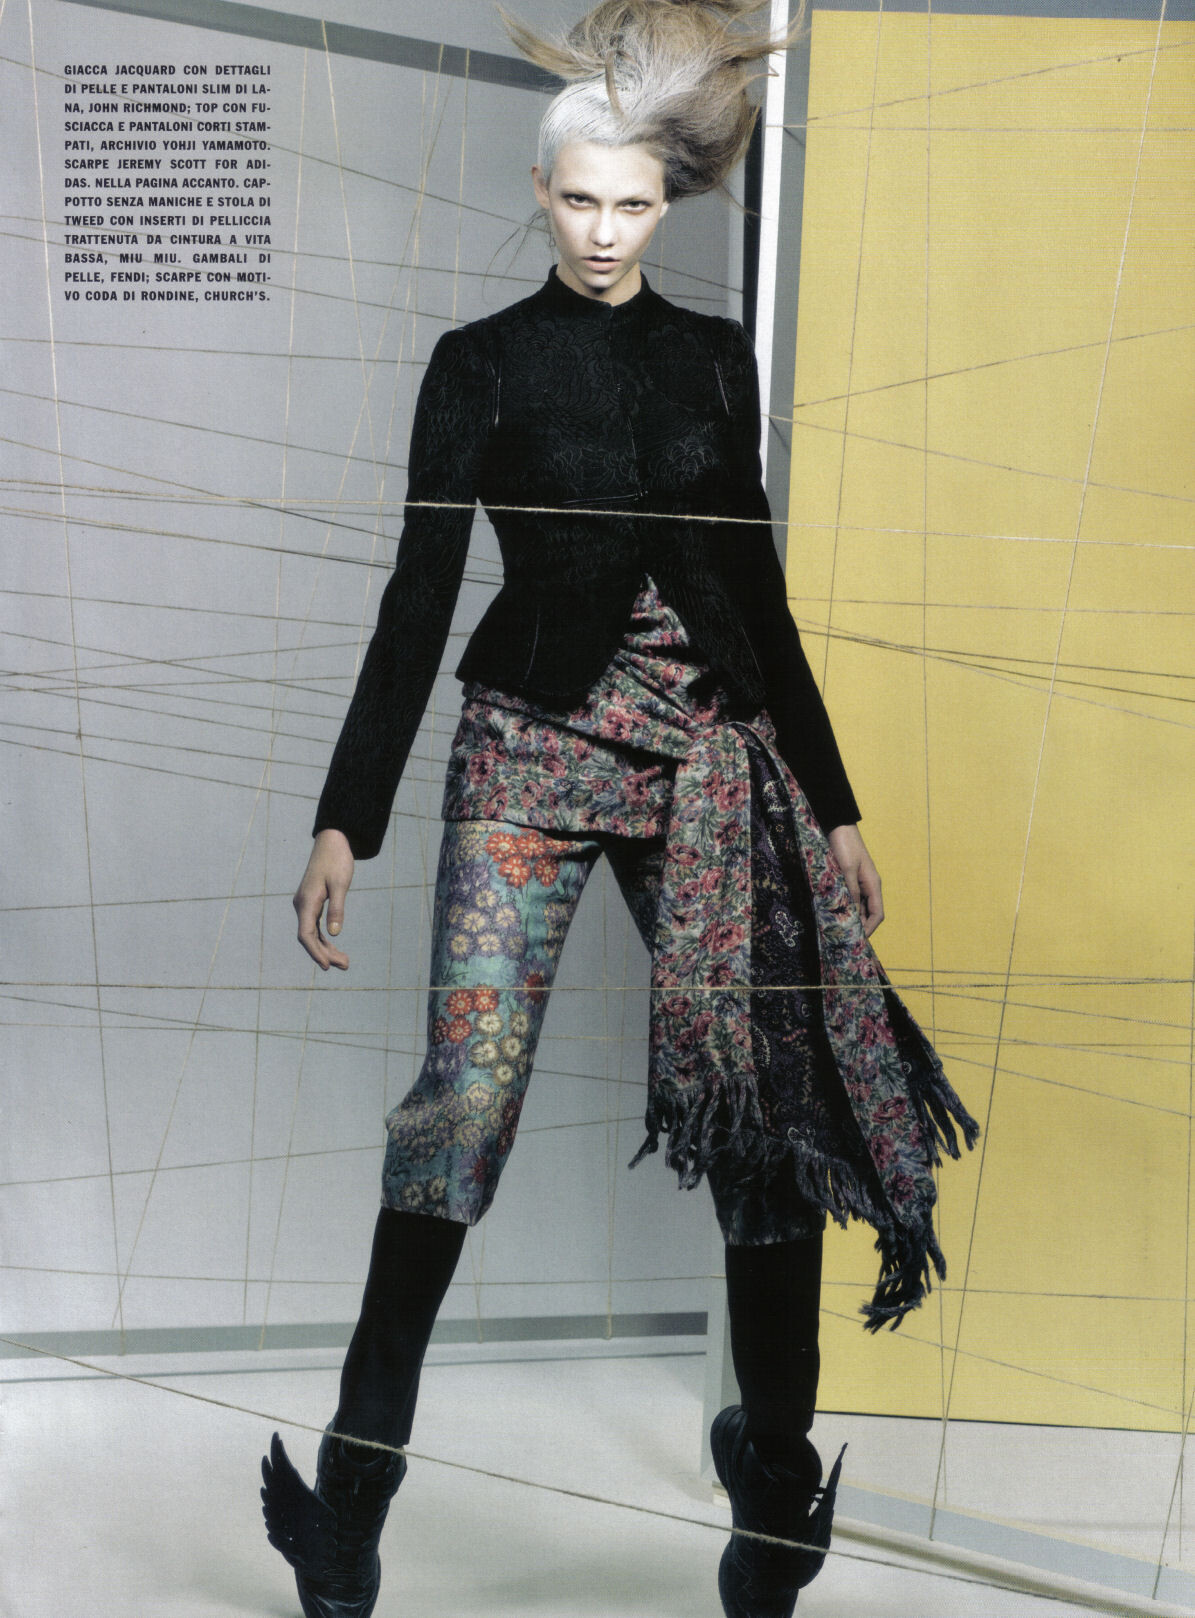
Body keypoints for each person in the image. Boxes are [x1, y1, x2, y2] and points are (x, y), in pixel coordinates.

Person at [259, 3, 979, 1615]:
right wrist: (347, 817)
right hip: (525, 747)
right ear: (542, 189)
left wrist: (835, 802)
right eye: (580, 200)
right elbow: (418, 593)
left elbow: (757, 596)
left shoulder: (710, 358)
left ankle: (774, 1501)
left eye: (634, 204)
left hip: (710, 759)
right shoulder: (480, 365)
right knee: (461, 1106)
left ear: (669, 201)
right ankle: (351, 1505)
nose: (604, 232)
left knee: (762, 1107)